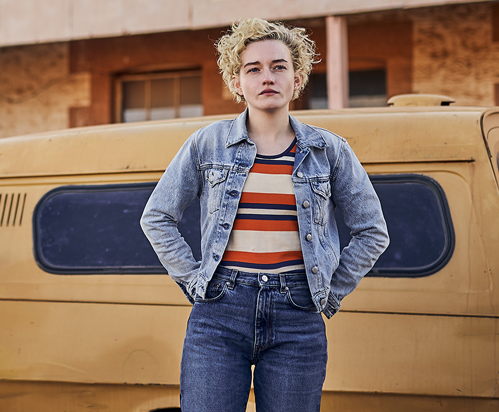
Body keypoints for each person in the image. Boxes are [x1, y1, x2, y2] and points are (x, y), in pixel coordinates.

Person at [140, 19, 389, 412]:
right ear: (237, 83)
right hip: (219, 313)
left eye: (279, 66)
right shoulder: (208, 144)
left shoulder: (330, 150)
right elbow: (156, 217)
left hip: (298, 315)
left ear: (298, 77)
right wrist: (194, 282)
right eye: (252, 69)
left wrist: (329, 292)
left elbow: (372, 232)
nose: (266, 77)